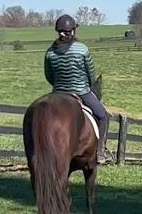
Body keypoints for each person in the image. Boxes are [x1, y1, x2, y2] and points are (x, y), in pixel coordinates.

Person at [44, 14, 110, 163]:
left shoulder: (50, 52)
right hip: (82, 91)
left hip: (58, 93)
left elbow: (48, 75)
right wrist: (84, 86)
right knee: (103, 116)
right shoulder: (82, 49)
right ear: (72, 31)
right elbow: (91, 75)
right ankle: (100, 152)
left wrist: (60, 85)